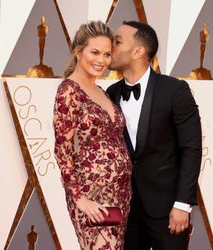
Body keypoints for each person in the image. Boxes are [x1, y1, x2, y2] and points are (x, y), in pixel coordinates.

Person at [107, 21, 202, 250]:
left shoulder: (174, 90)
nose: (111, 46)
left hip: (168, 209)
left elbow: (191, 149)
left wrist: (182, 204)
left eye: (117, 41)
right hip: (126, 211)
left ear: (138, 51)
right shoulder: (111, 93)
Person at [53, 21, 132, 249]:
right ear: (78, 51)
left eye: (107, 54)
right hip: (92, 196)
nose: (102, 60)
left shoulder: (101, 92)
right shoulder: (69, 91)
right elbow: (62, 149)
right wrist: (80, 198)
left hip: (121, 195)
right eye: (95, 52)